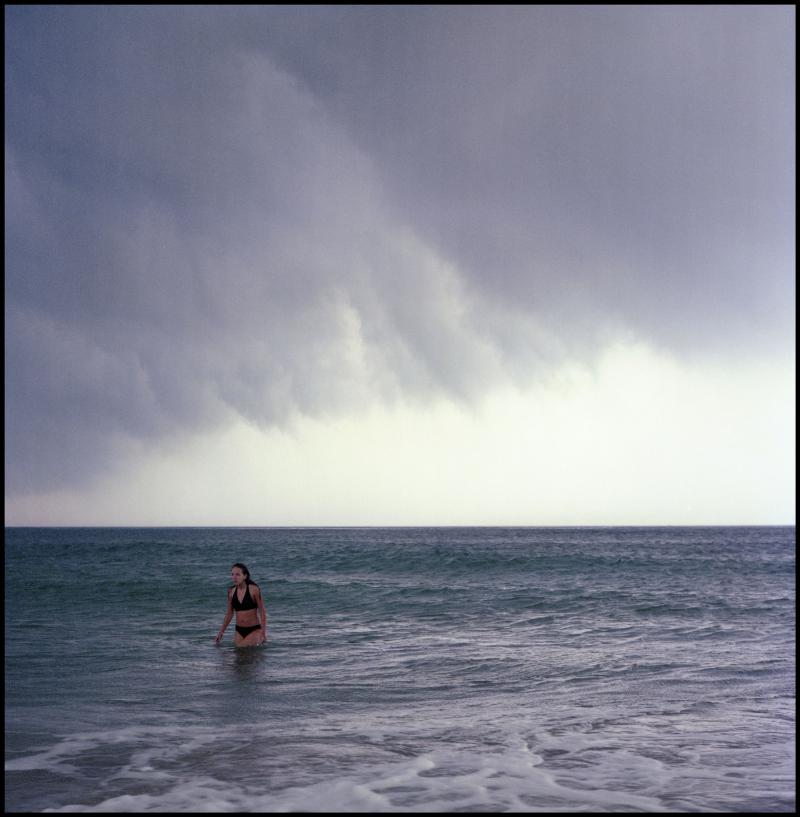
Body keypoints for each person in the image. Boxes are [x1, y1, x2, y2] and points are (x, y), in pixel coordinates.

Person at [215, 563, 267, 647]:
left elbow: (262, 611)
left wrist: (263, 632)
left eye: (238, 574)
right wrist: (221, 632)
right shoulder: (231, 592)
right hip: (239, 631)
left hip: (254, 629)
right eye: (232, 574)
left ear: (245, 576)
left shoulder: (254, 589)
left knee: (241, 648)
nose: (234, 577)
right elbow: (229, 613)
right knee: (239, 657)